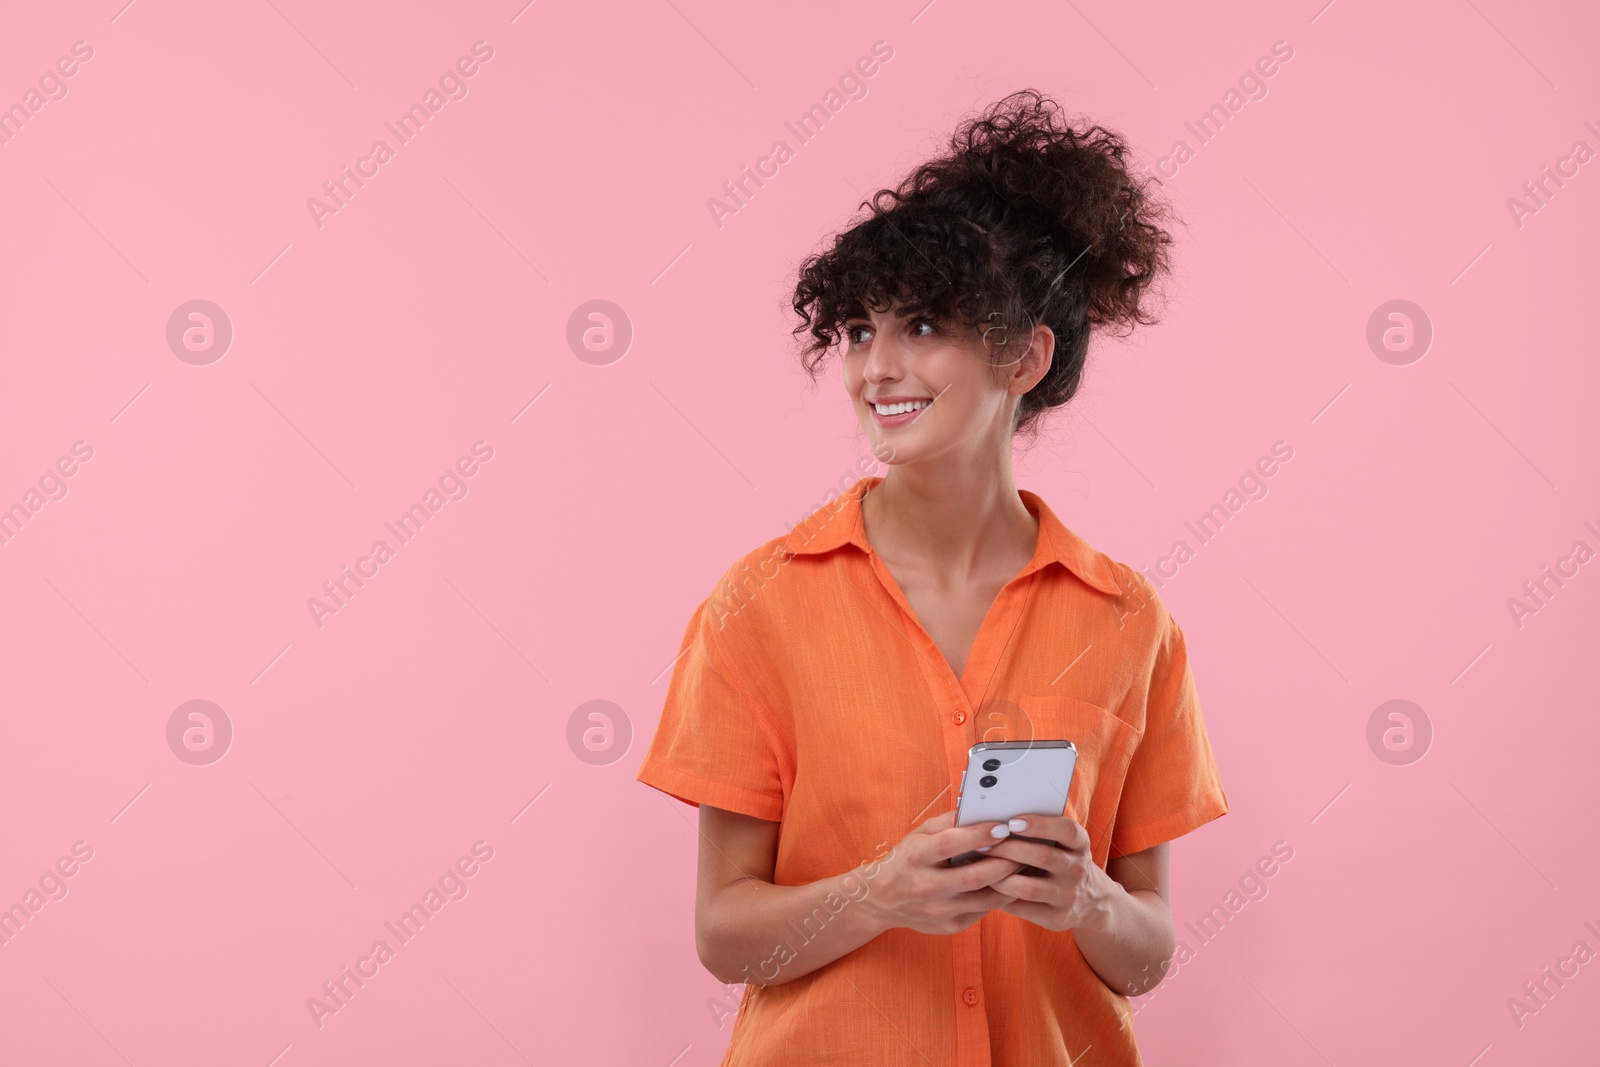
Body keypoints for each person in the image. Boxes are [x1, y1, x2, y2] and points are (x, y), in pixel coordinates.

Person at [636, 89, 1227, 1066]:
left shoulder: (1129, 620)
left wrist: (1086, 898)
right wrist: (880, 892)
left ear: (1022, 358)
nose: (876, 367)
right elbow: (725, 932)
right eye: (859, 331)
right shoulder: (758, 604)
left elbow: (1147, 951)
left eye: (921, 328)